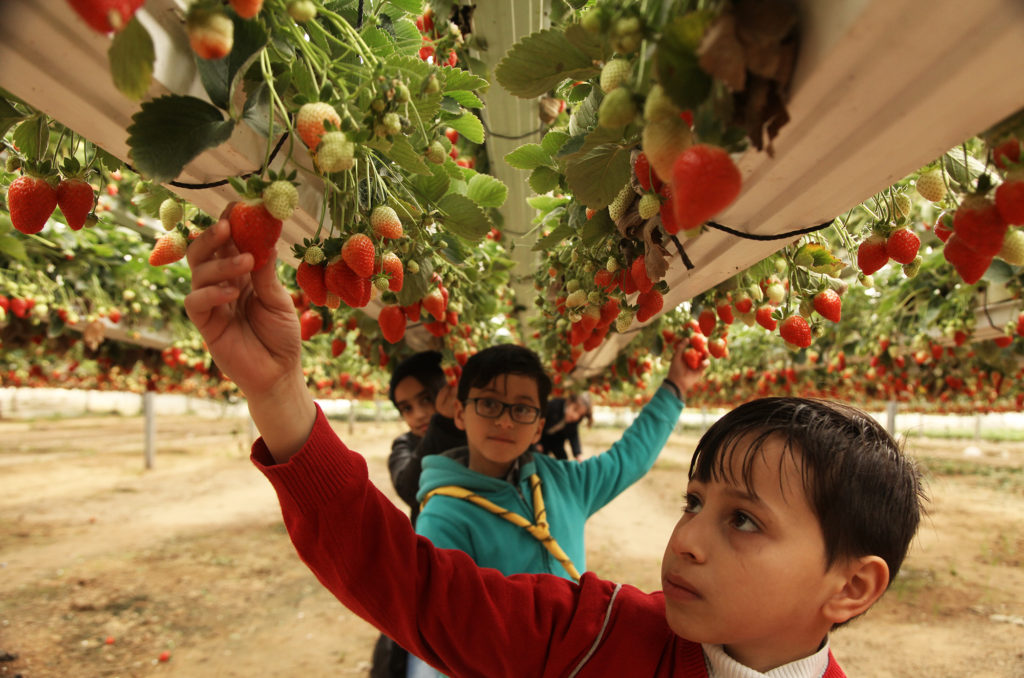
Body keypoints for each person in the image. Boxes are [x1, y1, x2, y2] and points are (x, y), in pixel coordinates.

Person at [184, 213, 926, 677]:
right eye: (693, 503)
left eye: (742, 519)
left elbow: (629, 459)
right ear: (459, 409)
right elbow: (410, 582)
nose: (686, 539)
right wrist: (279, 397)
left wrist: (672, 392)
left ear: (852, 587)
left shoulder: (562, 488)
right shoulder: (585, 630)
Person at [371, 351, 449, 678]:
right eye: (407, 408)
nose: (418, 414)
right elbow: (408, 485)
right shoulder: (403, 445)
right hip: (426, 580)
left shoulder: (479, 437)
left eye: (426, 400)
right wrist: (442, 422)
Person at [538, 391, 593, 460]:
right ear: (569, 402)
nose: (575, 416)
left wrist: (578, 454)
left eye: (580, 415)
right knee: (539, 456)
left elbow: (574, 437)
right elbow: (538, 422)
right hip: (540, 437)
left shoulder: (573, 422)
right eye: (575, 410)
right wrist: (537, 442)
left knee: (563, 459)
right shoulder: (554, 405)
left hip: (556, 441)